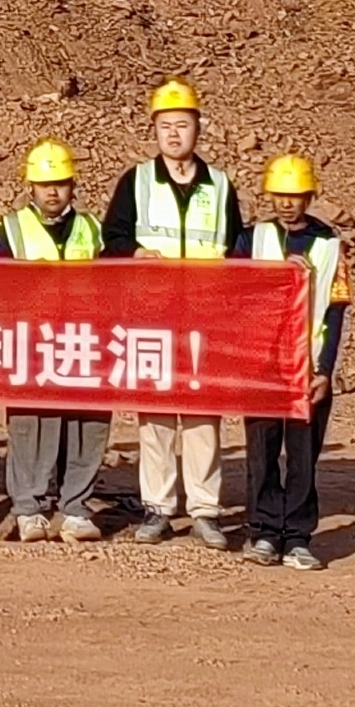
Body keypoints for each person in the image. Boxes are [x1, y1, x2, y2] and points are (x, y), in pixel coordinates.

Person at [106, 81, 244, 548]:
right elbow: (113, 240)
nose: (173, 134)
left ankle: (205, 510)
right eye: (165, 126)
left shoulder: (220, 185)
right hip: (153, 316)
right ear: (155, 131)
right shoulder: (138, 181)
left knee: (204, 415)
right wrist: (134, 255)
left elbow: (237, 248)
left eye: (181, 125)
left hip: (204, 316)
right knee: (157, 416)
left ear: (197, 129)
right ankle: (158, 507)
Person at [0, 138, 109, 541]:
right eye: (45, 184)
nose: (53, 191)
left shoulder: (94, 229)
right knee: (31, 425)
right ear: (31, 187)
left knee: (87, 424)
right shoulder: (9, 231)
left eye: (60, 183)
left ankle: (76, 507)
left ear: (72, 185)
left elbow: (115, 284)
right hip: (31, 344)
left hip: (83, 342)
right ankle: (30, 506)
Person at [242, 153, 353, 572]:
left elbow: (336, 309)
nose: (287, 203)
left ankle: (298, 536)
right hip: (263, 364)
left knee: (303, 454)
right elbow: (231, 293)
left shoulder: (329, 245)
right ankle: (265, 531)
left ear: (309, 195)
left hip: (308, 367)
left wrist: (325, 370)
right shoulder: (250, 239)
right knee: (262, 452)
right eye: (280, 195)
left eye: (295, 195)